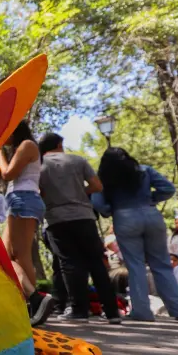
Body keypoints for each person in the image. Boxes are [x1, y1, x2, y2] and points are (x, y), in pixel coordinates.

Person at [92, 147, 178, 321]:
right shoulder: (144, 170)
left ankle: (142, 312)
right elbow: (167, 189)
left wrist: (111, 211)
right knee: (162, 265)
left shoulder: (105, 178)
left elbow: (99, 204)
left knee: (135, 265)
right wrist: (151, 199)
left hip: (124, 218)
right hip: (152, 215)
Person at [38, 132, 121, 323]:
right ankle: (112, 312)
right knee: (96, 262)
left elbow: (39, 193)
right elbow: (97, 186)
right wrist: (79, 193)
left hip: (56, 219)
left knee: (69, 263)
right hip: (84, 216)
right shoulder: (77, 160)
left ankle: (79, 310)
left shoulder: (39, 166)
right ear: (60, 143)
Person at [0, 120, 53, 325]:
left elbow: (7, 174)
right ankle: (30, 300)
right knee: (5, 256)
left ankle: (34, 301)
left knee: (20, 256)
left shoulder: (27, 145)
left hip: (24, 199)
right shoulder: (24, 147)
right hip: (19, 199)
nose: (4, 136)